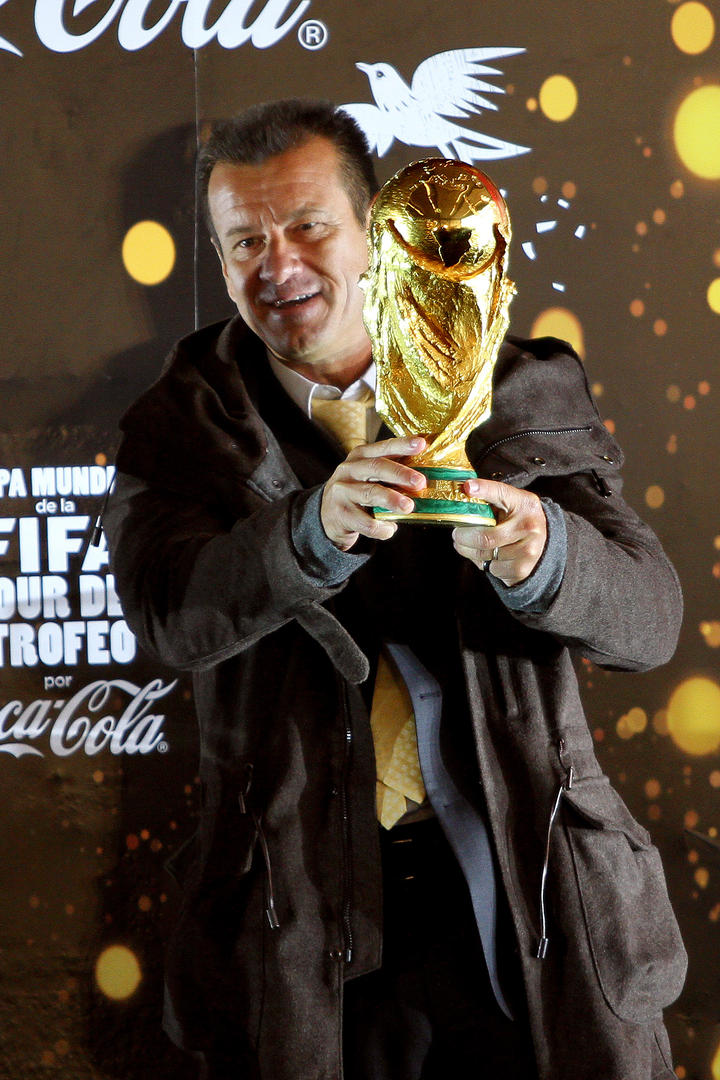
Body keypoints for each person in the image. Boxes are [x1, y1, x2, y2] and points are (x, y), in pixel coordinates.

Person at [105, 98, 687, 1080]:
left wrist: (543, 554)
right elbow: (172, 617)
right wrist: (309, 531)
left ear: (376, 233)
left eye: (306, 228)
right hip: (300, 920)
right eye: (244, 239)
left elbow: (652, 619)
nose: (276, 265)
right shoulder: (183, 422)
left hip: (529, 909)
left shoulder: (523, 392)